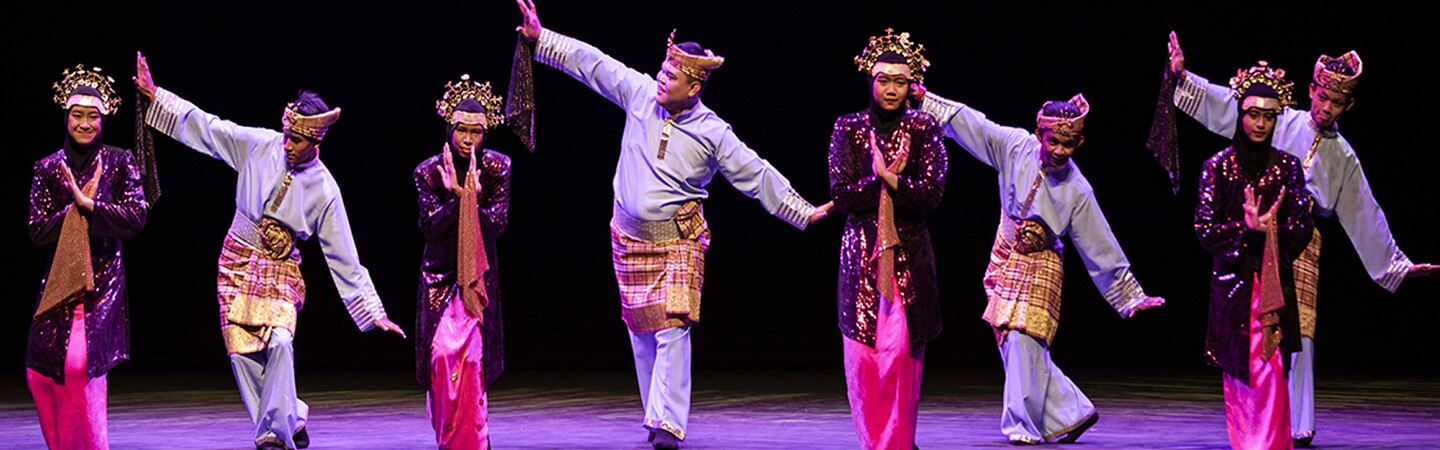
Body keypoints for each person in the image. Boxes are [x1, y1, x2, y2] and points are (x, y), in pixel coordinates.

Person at [513, 1, 832, 447]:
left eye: (672, 76)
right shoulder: (640, 93)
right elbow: (594, 64)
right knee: (642, 331)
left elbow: (754, 173)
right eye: (662, 70)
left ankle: (668, 424)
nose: (661, 78)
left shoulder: (714, 132)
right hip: (627, 238)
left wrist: (802, 210)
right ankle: (654, 414)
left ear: (695, 85)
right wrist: (541, 38)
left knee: (673, 327)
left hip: (679, 241)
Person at [1166, 33, 1439, 447]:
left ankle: (1299, 424)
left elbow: (1365, 211)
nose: (1326, 108)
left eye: (1336, 102)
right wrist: (1185, 78)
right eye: (1322, 97)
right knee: (1252, 326)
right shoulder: (1279, 118)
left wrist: (1395, 264)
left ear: (1348, 106)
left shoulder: (1343, 156)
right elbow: (1229, 103)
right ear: (1311, 90)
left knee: (1299, 331)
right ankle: (1257, 415)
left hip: (1299, 240)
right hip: (1250, 234)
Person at [133, 52, 405, 450]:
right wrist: (158, 97)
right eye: (286, 136)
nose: (287, 145)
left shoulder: (325, 190)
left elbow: (344, 256)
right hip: (238, 259)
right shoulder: (261, 146)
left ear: (316, 140)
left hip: (280, 268)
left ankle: (272, 437)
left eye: (296, 140)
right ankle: (288, 414)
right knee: (242, 351)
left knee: (278, 342)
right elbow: (211, 129)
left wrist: (373, 312)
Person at [917, 86, 1165, 445]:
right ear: (1039, 134)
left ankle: (1022, 424)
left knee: (1024, 338)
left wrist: (1129, 295)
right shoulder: (1015, 146)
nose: (1060, 151)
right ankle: (1069, 410)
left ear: (1080, 143)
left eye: (1069, 144)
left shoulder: (1078, 189)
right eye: (1053, 142)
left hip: (1042, 262)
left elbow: (1099, 243)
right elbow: (974, 124)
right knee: (1009, 338)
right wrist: (924, 100)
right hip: (1004, 252)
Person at [829, 29, 947, 450]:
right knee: (863, 358)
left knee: (901, 357)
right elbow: (842, 195)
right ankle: (873, 441)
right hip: (862, 253)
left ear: (911, 84)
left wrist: (892, 179)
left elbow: (932, 195)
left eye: (900, 80)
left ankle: (899, 441)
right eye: (884, 79)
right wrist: (876, 179)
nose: (892, 88)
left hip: (910, 254)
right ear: (870, 80)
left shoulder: (926, 128)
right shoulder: (848, 128)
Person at [1193, 61, 1314, 450]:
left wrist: (1271, 230)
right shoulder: (1217, 166)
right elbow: (1205, 228)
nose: (1260, 124)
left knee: (1272, 368)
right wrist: (1245, 229)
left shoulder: (1288, 167)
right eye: (1253, 114)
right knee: (1240, 374)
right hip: (1233, 287)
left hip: (1272, 286)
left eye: (1268, 116)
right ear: (1241, 114)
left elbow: (1303, 226)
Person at [27, 64, 149, 450]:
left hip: (101, 283)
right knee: (39, 372)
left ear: (103, 119)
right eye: (77, 115)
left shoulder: (119, 161)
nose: (84, 124)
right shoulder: (47, 168)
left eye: (92, 116)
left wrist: (92, 207)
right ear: (66, 117)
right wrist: (73, 211)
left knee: (80, 367)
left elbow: (136, 217)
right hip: (59, 282)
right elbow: (35, 230)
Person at [414, 74, 512, 450]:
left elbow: (498, 225)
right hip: (439, 276)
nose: (469, 140)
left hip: (478, 278)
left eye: (476, 132)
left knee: (473, 363)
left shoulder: (498, 168)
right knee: (440, 359)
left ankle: (475, 440)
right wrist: (459, 195)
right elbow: (430, 227)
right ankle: (448, 439)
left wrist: (468, 194)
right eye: (461, 131)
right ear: (449, 128)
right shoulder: (427, 171)